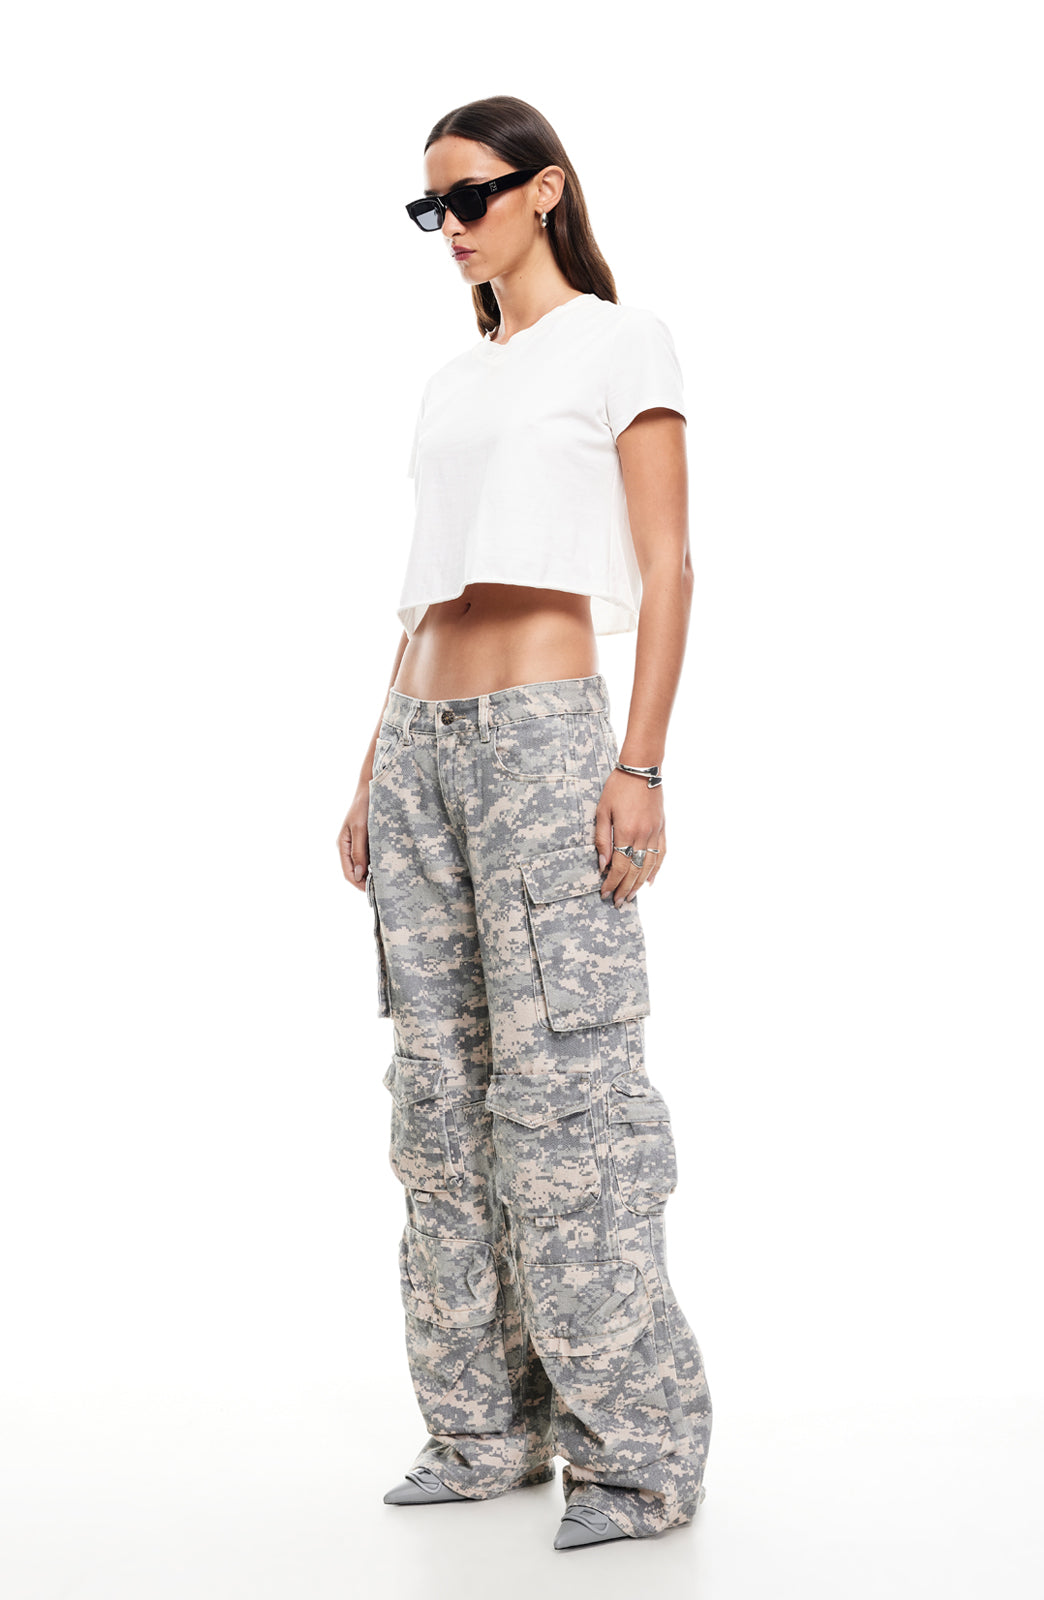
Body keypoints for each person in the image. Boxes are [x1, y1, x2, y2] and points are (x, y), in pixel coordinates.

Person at [337, 95, 712, 1551]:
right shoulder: (454, 379)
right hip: (422, 747)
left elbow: (670, 569)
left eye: (472, 197)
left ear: (545, 190)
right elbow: (425, 589)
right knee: (437, 1106)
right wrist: (372, 763)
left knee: (569, 1105)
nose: (450, 226)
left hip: (547, 743)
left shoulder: (622, 344)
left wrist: (643, 765)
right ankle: (482, 1431)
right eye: (429, 208)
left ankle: (639, 1460)